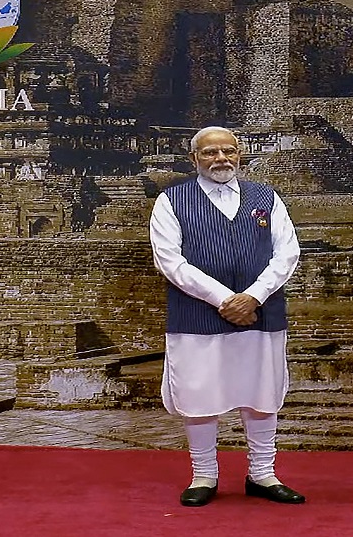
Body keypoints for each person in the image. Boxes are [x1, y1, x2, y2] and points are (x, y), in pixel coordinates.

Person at [149, 125, 305, 508]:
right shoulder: (172, 200)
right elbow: (170, 261)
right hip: (197, 314)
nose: (221, 159)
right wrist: (224, 299)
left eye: (228, 151)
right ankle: (204, 475)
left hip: (260, 313)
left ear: (240, 154)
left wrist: (252, 296)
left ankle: (262, 473)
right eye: (210, 152)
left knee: (261, 392)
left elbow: (287, 253)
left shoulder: (266, 198)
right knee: (200, 393)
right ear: (194, 159)